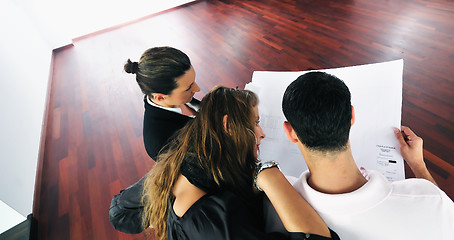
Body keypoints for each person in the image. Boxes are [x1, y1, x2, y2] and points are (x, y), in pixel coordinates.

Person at [267, 71, 454, 239]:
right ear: (352, 116)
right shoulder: (429, 199)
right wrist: (418, 165)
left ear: (290, 132)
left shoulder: (274, 206)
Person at [143, 86, 339, 240]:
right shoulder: (213, 218)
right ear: (228, 125)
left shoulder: (187, 160)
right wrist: (269, 175)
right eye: (255, 123)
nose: (262, 133)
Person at [109, 47, 201, 233]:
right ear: (159, 97)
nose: (197, 89)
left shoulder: (172, 97)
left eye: (193, 82)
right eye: (189, 87)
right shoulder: (159, 142)